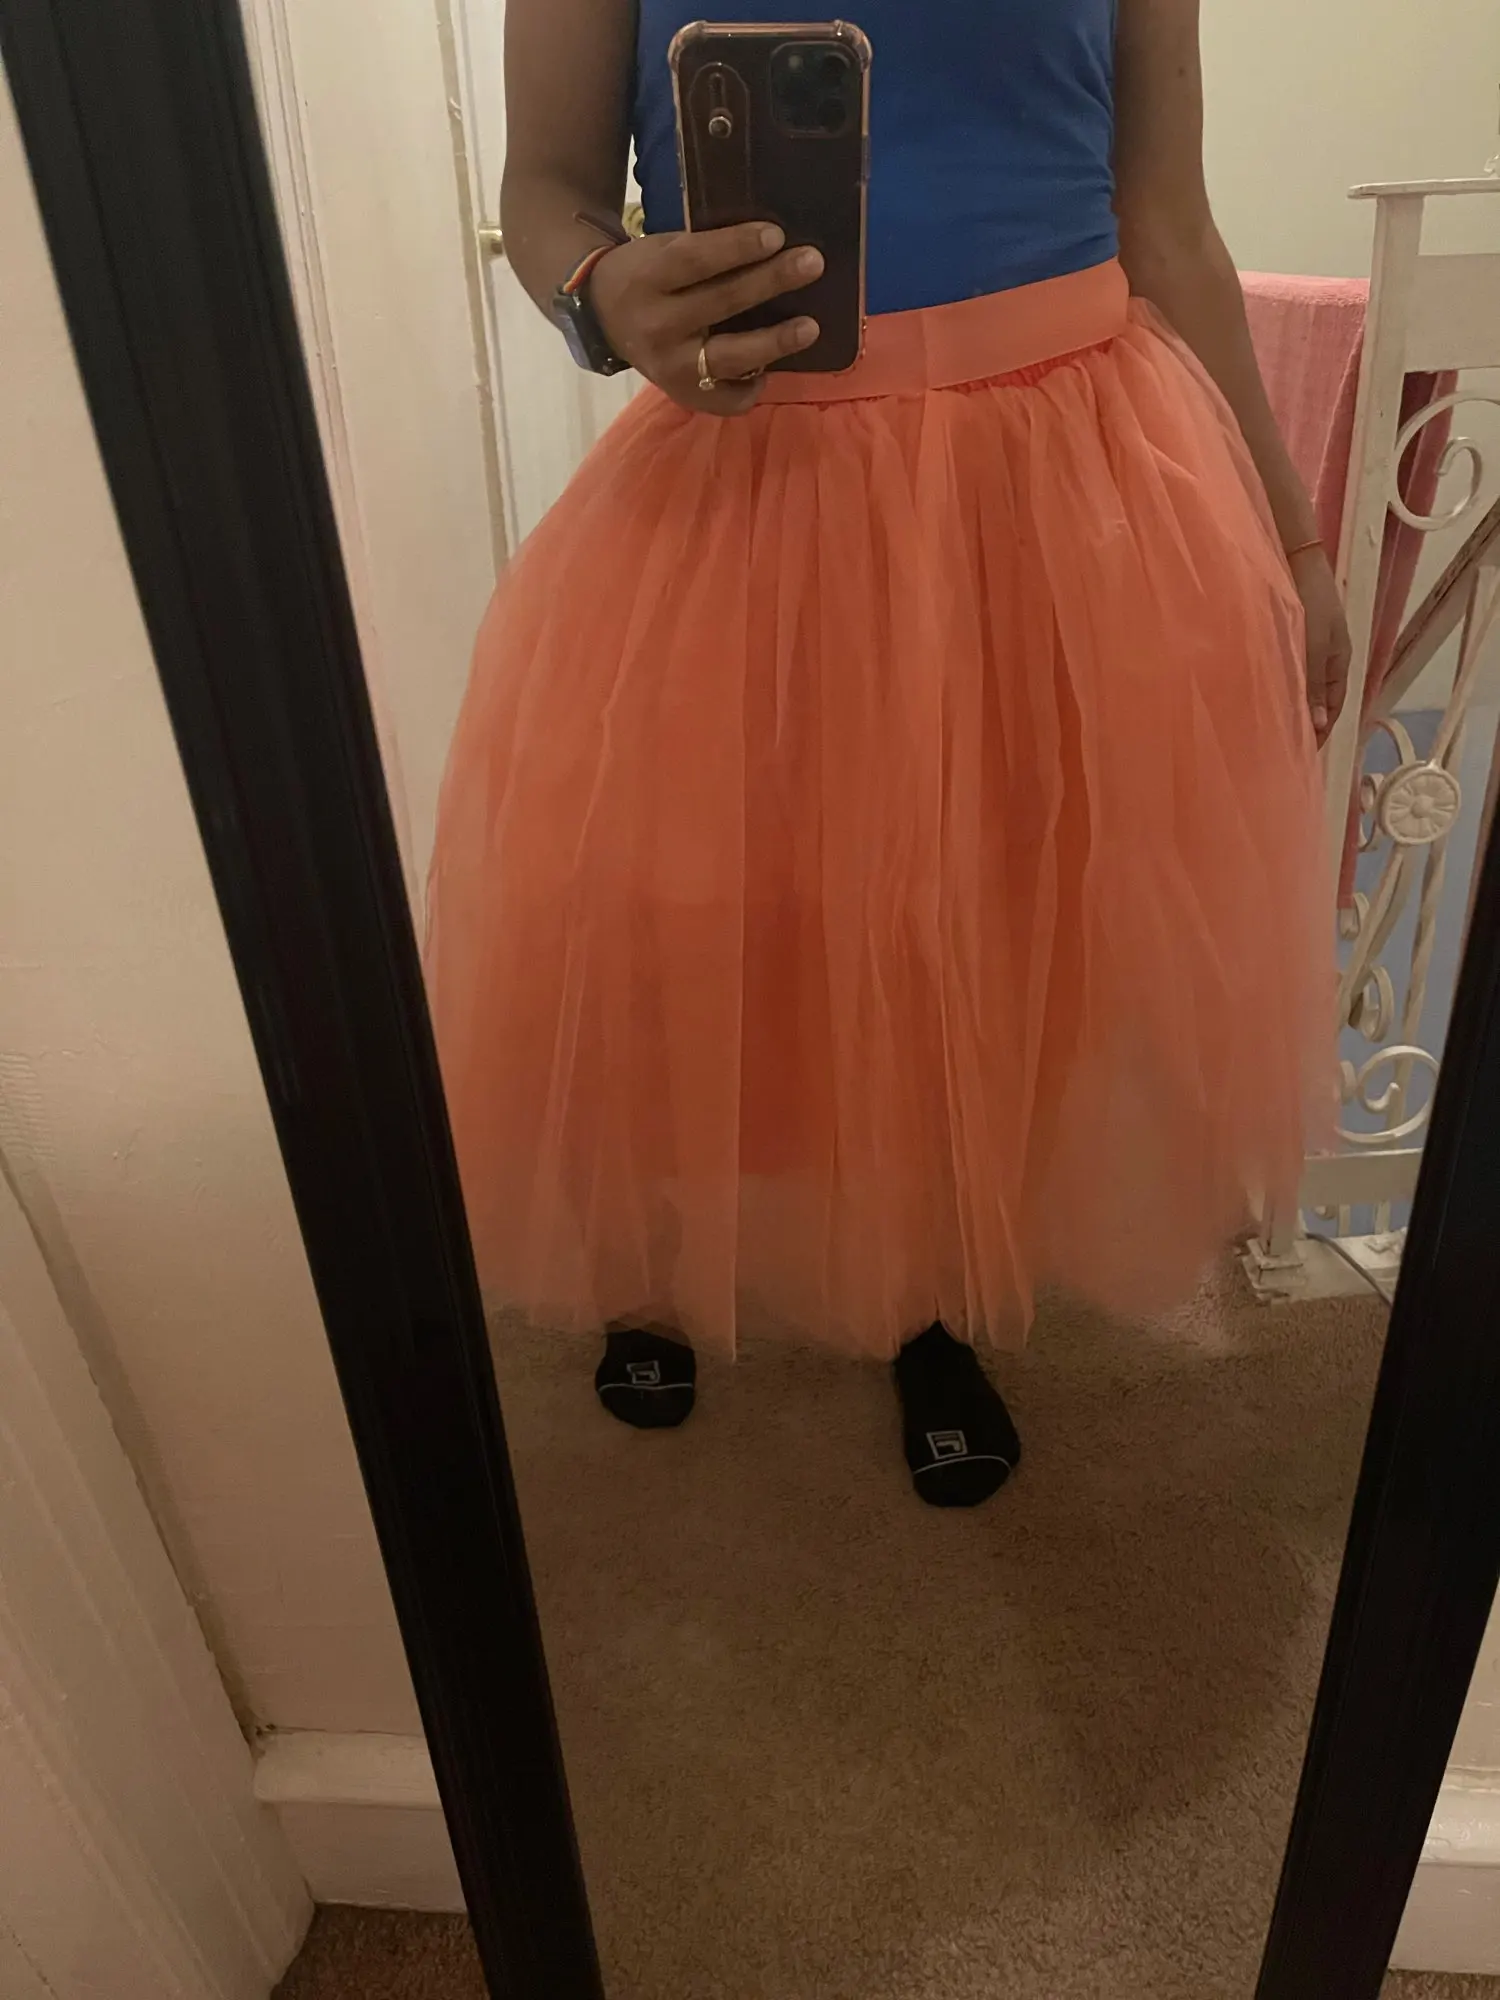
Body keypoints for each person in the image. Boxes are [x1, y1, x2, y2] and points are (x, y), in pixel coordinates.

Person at [424, 0, 1349, 1508]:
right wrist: (599, 291)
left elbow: (1172, 228)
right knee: (687, 903)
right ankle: (652, 1261)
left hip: (1066, 479)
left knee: (987, 915)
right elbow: (547, 188)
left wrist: (1291, 534)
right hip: (759, 464)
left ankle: (930, 1294)